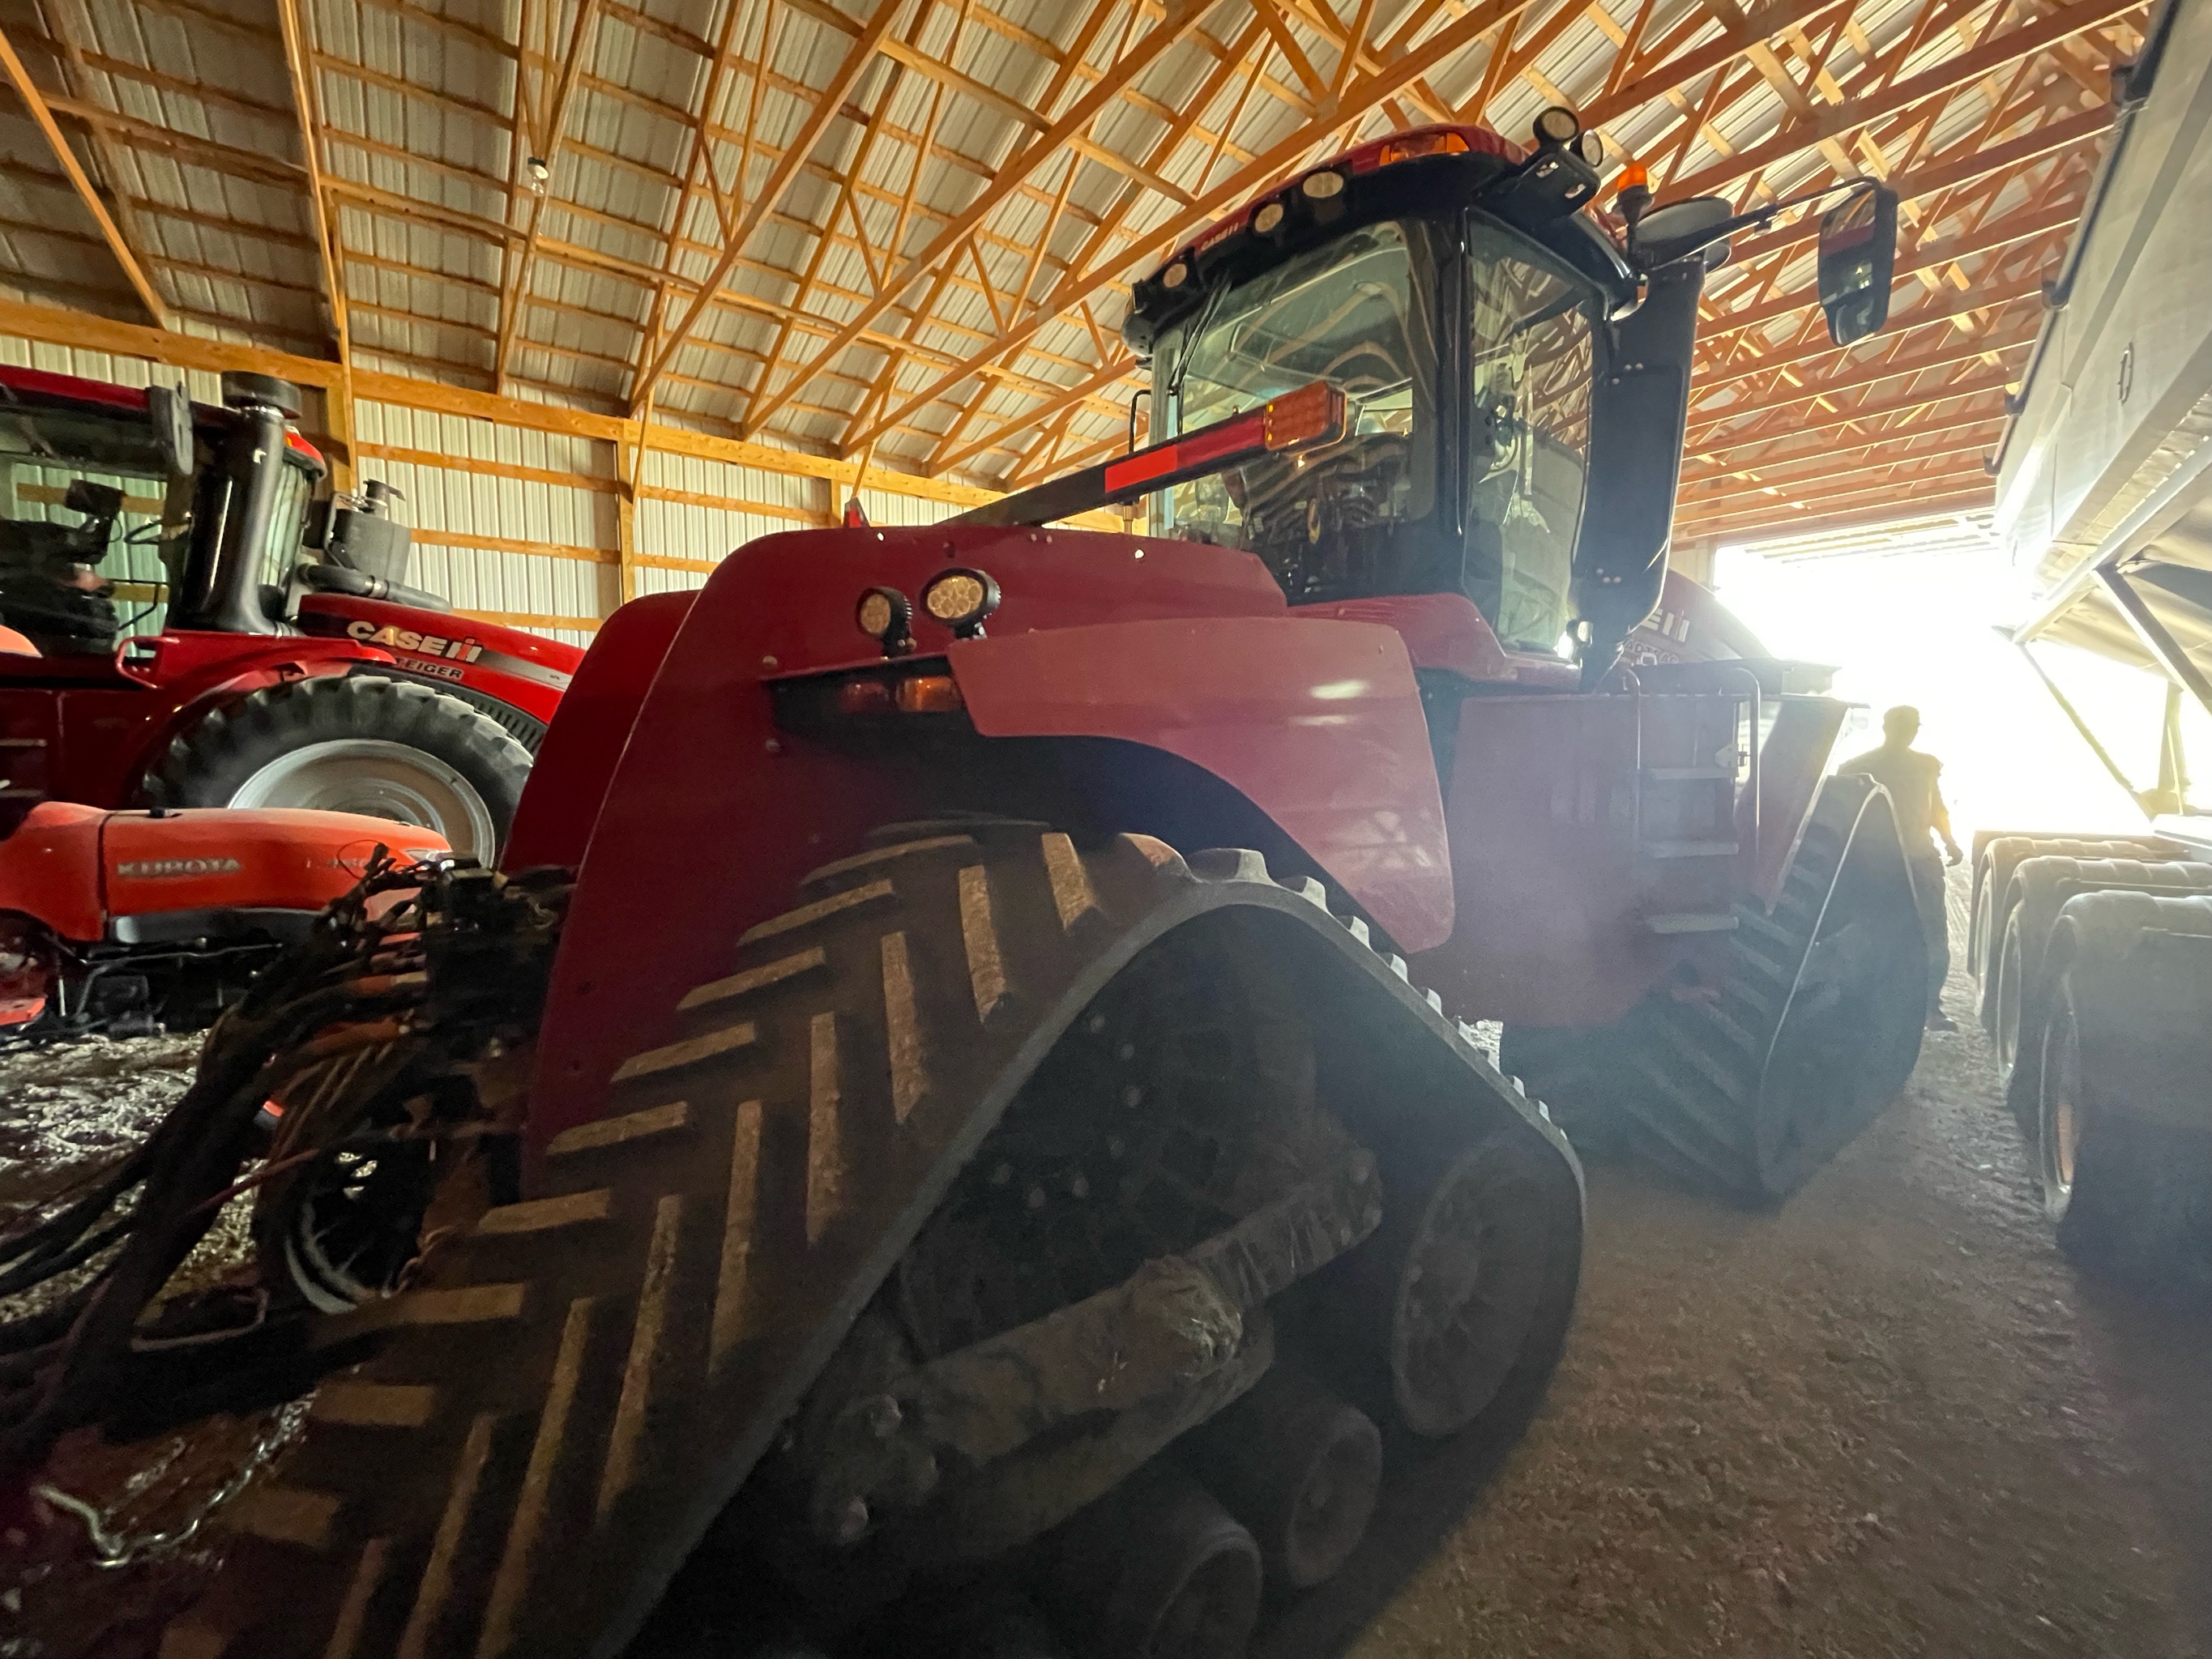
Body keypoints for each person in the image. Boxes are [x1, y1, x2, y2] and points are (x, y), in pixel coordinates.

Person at [1838, 706, 1963, 1030]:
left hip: (1880, 862)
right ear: (1890, 727)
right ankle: (1923, 1008)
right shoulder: (1912, 766)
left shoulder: (1859, 767)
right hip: (1901, 861)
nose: (1910, 732)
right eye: (1907, 726)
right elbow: (1937, 808)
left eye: (1912, 727)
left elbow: (1936, 807)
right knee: (1926, 933)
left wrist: (1950, 840)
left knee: (1909, 931)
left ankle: (1924, 1008)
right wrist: (1948, 841)